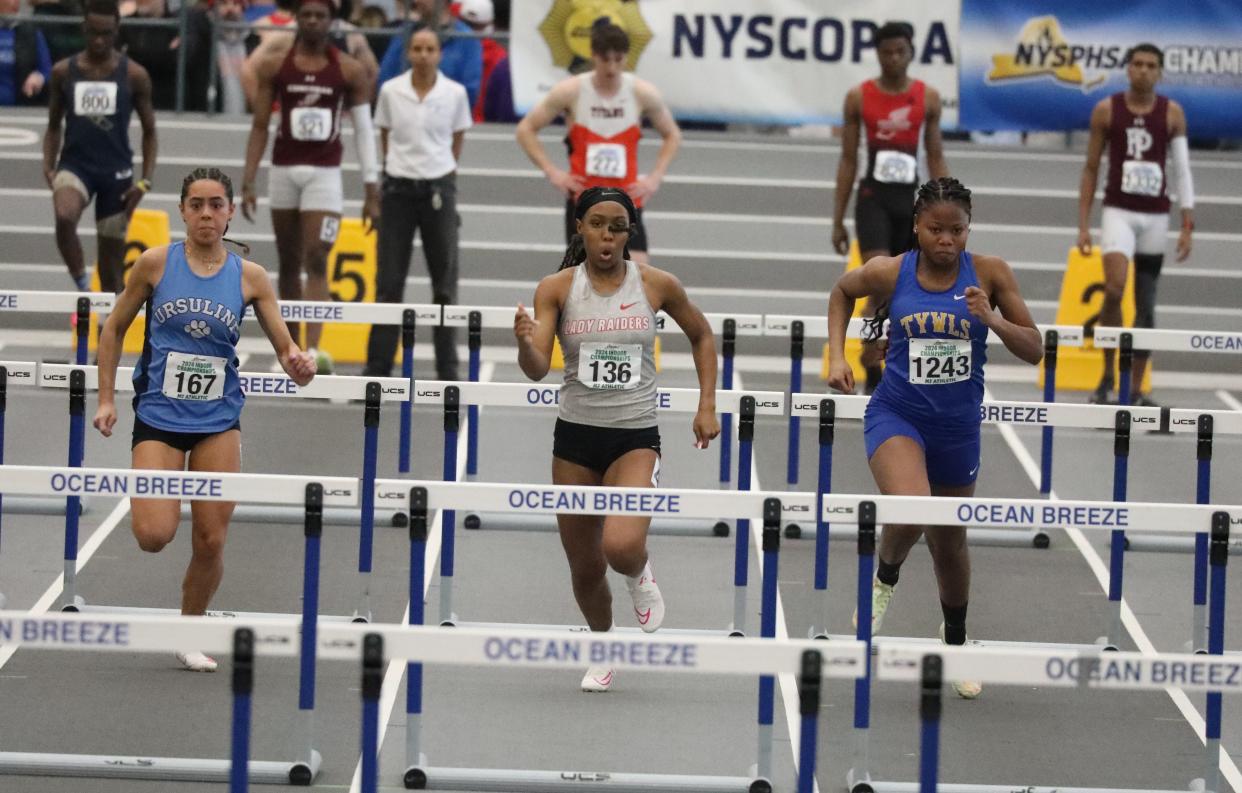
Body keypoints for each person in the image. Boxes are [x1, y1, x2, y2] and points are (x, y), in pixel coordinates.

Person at [92, 167, 317, 672]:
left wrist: (299, 365)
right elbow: (114, 329)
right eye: (196, 205)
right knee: (153, 536)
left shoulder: (251, 277)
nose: (207, 214)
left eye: (216, 204)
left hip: (218, 420)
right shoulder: (154, 264)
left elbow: (287, 351)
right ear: (183, 211)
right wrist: (106, 398)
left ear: (231, 211)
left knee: (212, 537)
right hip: (159, 415)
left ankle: (189, 629)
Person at [826, 177, 1043, 700]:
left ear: (969, 230)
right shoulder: (892, 271)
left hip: (957, 427)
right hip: (897, 413)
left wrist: (991, 318)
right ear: (918, 228)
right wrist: (836, 354)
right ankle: (883, 582)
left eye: (957, 230)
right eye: (936, 229)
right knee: (914, 506)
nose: (947, 240)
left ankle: (957, 639)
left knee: (951, 543)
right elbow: (840, 292)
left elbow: (1035, 348)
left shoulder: (990, 273)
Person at [513, 187, 720, 693]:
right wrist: (524, 343)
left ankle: (640, 573)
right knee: (584, 567)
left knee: (621, 546)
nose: (608, 236)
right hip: (576, 440)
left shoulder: (655, 284)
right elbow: (538, 370)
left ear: (630, 234)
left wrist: (706, 404)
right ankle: (604, 646)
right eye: (599, 225)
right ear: (579, 228)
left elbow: (702, 335)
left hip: (634, 438)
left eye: (619, 228)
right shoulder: (557, 289)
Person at [241, 0, 379, 374]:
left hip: (325, 175)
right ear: (297, 20)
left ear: (332, 22)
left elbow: (364, 132)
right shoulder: (276, 67)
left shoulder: (349, 70)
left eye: (321, 16)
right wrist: (249, 178)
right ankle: (292, 348)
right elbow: (259, 126)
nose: (314, 21)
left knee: (316, 255)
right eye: (307, 15)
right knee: (287, 261)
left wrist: (372, 189)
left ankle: (315, 350)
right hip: (284, 170)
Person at [832, 21, 949, 395]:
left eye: (900, 51)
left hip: (910, 202)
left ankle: (900, 369)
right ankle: (873, 376)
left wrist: (945, 205)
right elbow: (848, 160)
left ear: (911, 52)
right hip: (873, 200)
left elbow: (934, 154)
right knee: (878, 286)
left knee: (909, 292)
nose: (893, 58)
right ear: (878, 54)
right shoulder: (858, 97)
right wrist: (837, 219)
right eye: (886, 52)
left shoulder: (927, 98)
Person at [1077, 43, 1194, 406]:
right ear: (1127, 69)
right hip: (1119, 211)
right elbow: (1092, 167)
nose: (1143, 70)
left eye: (1151, 65)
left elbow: (1182, 168)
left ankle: (1137, 390)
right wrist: (1083, 224)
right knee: (1114, 289)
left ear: (1159, 72)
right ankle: (1108, 374)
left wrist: (1187, 221)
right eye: (1138, 64)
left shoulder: (1172, 113)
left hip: (1156, 215)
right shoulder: (1106, 110)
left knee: (1146, 304)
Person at [515, 21, 681, 266]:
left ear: (626, 57)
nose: (612, 67)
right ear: (593, 56)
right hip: (584, 199)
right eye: (605, 59)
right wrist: (553, 173)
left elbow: (673, 135)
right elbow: (525, 129)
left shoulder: (641, 93)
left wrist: (654, 179)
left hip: (626, 199)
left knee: (638, 271)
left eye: (618, 59)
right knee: (585, 275)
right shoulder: (570, 91)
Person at [363, 26, 470, 381]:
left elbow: (457, 139)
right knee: (389, 282)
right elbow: (384, 136)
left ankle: (448, 371)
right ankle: (377, 368)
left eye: (430, 49)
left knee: (444, 284)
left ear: (439, 53)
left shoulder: (454, 94)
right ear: (408, 53)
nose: (424, 55)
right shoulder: (391, 91)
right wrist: (397, 171)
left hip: (439, 187)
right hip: (397, 191)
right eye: (418, 48)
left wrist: (442, 172)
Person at [42, 0, 157, 294]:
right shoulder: (63, 73)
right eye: (93, 32)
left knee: (112, 273)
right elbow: (54, 125)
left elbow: (150, 132)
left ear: (117, 29)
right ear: (84, 28)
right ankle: (82, 283)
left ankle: (109, 331)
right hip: (75, 166)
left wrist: (144, 180)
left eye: (105, 34)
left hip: (115, 173)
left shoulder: (134, 75)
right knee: (64, 217)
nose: (98, 40)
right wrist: (48, 163)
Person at [240, 0, 379, 106]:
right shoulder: (288, 33)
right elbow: (249, 70)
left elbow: (372, 74)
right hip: (292, 119)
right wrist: (268, 113)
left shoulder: (352, 35)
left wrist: (358, 110)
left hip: (338, 119)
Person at [377, 0, 478, 105]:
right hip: (402, 112)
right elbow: (385, 80)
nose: (416, 1)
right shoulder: (404, 34)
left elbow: (469, 92)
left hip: (445, 115)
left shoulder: (466, 39)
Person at [0, 0, 53, 106]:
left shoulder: (31, 33)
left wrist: (39, 77)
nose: (15, 3)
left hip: (20, 108)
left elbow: (47, 70)